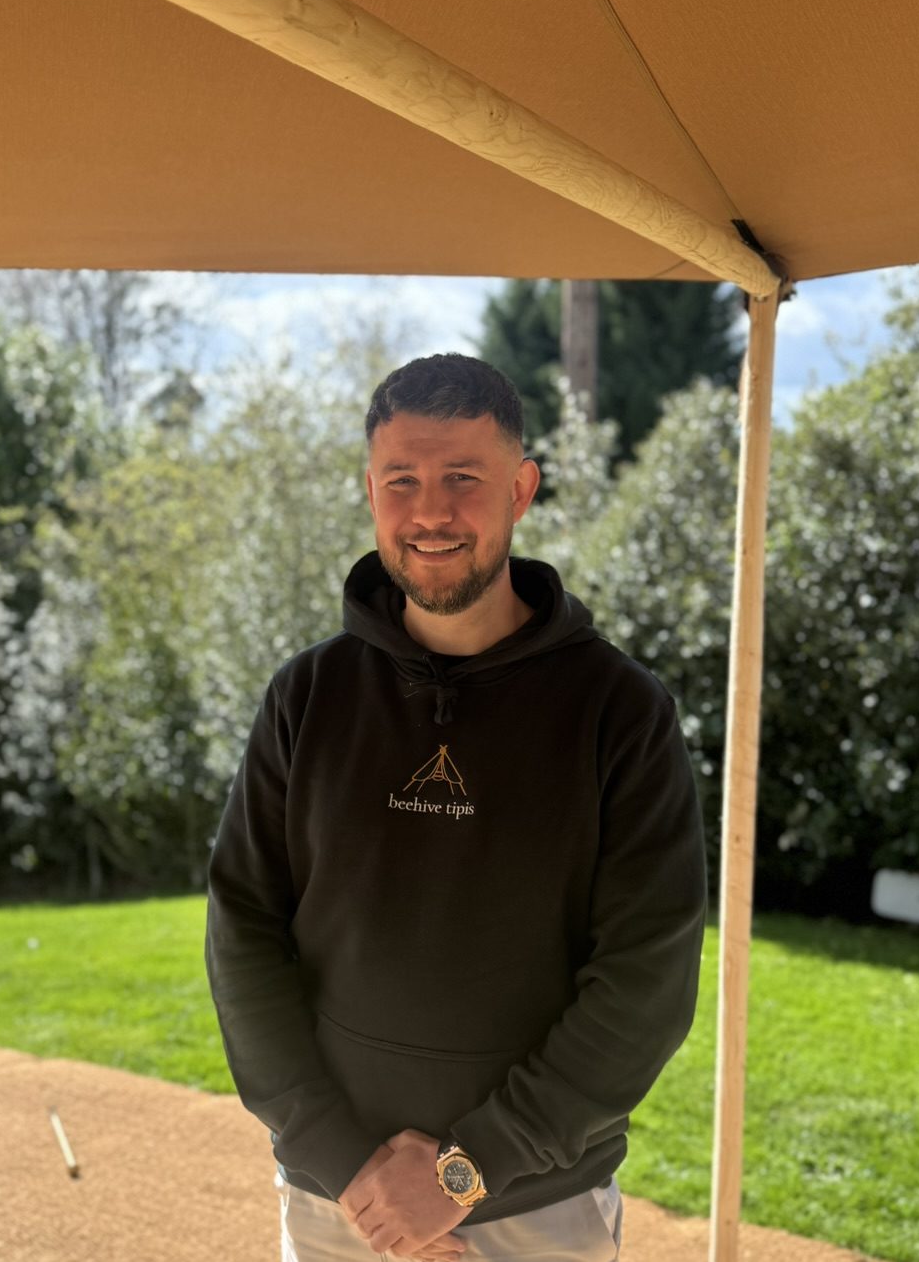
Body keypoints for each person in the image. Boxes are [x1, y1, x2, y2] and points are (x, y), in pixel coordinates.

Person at [206, 353, 707, 1260]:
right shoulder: (306, 696)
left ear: (520, 489)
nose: (431, 511)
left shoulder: (620, 712)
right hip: (337, 1202)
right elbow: (243, 932)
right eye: (403, 480)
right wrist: (347, 1162)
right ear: (370, 491)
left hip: (539, 1210)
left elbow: (646, 981)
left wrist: (460, 1174)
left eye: (462, 479)